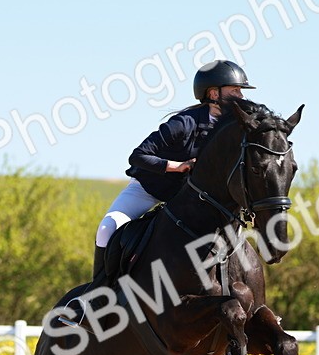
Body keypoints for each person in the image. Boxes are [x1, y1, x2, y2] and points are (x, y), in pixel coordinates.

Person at [62, 60, 255, 326]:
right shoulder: (184, 123)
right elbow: (138, 156)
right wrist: (178, 166)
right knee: (108, 228)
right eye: (235, 90)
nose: (241, 97)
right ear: (213, 94)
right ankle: (96, 297)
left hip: (189, 200)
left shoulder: (232, 129)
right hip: (150, 190)